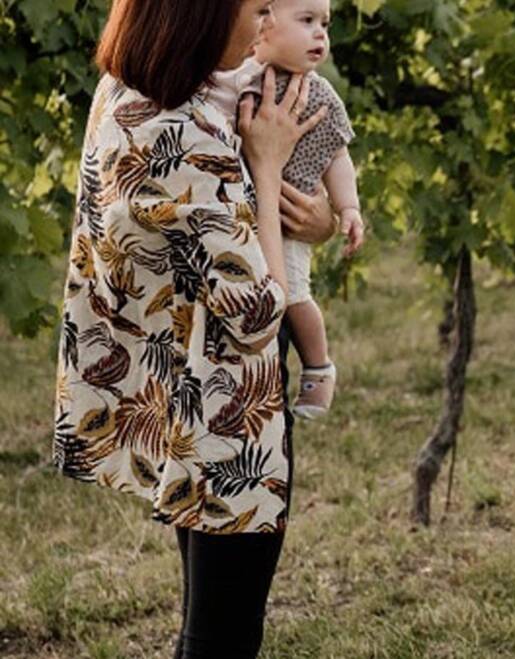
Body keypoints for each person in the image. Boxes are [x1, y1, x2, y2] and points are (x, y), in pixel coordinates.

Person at [52, 1, 332, 656]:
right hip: (224, 411)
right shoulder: (179, 138)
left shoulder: (133, 90)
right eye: (257, 9)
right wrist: (267, 166)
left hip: (186, 391)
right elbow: (260, 312)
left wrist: (311, 219)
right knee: (222, 634)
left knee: (206, 618)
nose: (267, 26)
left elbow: (221, 238)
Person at [208, 0, 365, 420]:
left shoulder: (320, 93)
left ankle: (318, 367)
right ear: (263, 27)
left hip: (289, 226)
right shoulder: (241, 79)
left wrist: (345, 207)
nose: (320, 34)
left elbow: (337, 156)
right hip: (242, 224)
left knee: (293, 296)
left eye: (325, 24)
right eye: (307, 21)